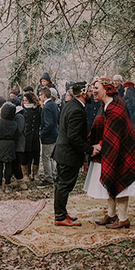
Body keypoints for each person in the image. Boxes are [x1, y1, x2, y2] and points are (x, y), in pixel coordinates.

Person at [85, 78, 135, 229]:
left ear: (107, 89)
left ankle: (123, 218)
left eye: (96, 88)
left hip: (124, 152)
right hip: (112, 150)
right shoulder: (106, 105)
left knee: (122, 184)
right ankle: (111, 215)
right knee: (111, 183)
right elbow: (103, 129)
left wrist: (99, 146)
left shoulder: (116, 107)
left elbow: (114, 135)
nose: (93, 90)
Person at [53, 82, 100, 226]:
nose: (93, 94)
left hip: (63, 152)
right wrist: (90, 149)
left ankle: (61, 212)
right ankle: (60, 217)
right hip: (68, 155)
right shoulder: (77, 110)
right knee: (64, 185)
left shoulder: (70, 105)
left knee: (61, 184)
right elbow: (73, 137)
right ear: (83, 93)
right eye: (91, 92)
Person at [0, 101, 19, 192]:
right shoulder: (14, 123)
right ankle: (7, 185)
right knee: (9, 165)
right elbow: (16, 136)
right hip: (10, 145)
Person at [38, 86, 59, 187]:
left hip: (48, 136)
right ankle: (53, 175)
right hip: (55, 134)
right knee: (52, 157)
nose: (39, 97)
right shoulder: (54, 104)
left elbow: (48, 124)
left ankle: (48, 178)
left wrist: (42, 134)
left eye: (40, 95)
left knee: (46, 158)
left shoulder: (46, 107)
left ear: (44, 95)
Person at [21, 91, 41, 181]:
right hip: (26, 136)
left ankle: (35, 174)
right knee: (26, 155)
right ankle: (25, 174)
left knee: (36, 154)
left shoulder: (37, 109)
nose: (25, 102)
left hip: (35, 136)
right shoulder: (22, 110)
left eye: (26, 100)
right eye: (24, 100)